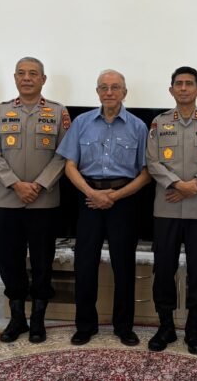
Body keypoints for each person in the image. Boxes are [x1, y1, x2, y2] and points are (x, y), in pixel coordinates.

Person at [56, 69, 151, 347]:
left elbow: (146, 173)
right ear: (97, 92)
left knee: (124, 265)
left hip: (124, 202)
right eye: (104, 87)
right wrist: (92, 193)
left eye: (115, 87)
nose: (109, 92)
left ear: (125, 91)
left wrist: (115, 195)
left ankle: (124, 327)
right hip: (88, 199)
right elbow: (69, 165)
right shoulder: (82, 123)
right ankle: (85, 325)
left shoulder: (138, 126)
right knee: (85, 264)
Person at [0, 57, 71, 343]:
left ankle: (38, 320)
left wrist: (39, 185)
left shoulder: (58, 113)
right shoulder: (0, 112)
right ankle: (18, 318)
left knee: (43, 262)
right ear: (15, 78)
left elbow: (64, 154)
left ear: (43, 79)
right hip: (8, 201)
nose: (27, 78)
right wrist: (15, 184)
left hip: (43, 202)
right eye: (21, 73)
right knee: (9, 261)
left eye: (33, 74)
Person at [145, 66, 197, 354]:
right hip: (166, 207)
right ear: (171, 90)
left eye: (189, 84)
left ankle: (194, 329)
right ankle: (165, 326)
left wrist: (196, 185)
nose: (183, 88)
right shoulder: (159, 122)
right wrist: (178, 184)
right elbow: (152, 161)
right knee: (163, 268)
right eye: (178, 84)